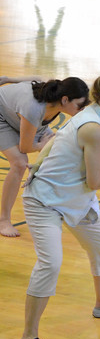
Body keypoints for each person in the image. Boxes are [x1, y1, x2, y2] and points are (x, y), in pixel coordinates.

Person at [16, 68, 100, 339]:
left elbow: (62, 150)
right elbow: (96, 182)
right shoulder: (93, 128)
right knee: (51, 263)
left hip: (76, 200)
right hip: (44, 201)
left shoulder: (98, 118)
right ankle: (27, 338)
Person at [0, 75, 90, 237]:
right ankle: (3, 220)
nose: (82, 110)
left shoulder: (53, 94)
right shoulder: (34, 108)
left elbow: (35, 78)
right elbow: (26, 146)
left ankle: (86, 201)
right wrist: (43, 145)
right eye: (79, 105)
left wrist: (8, 79)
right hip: (2, 116)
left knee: (67, 148)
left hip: (18, 115)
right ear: (64, 100)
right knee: (20, 163)